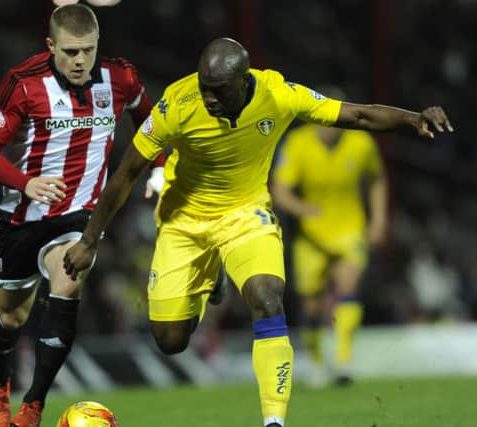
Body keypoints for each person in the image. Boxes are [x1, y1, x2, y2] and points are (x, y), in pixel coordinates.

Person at [63, 37, 453, 427]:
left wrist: (412, 118)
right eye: (204, 87)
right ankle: (213, 277)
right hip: (184, 223)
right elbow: (128, 171)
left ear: (242, 82)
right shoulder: (177, 103)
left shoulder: (277, 93)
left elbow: (358, 117)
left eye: (217, 91)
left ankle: (274, 421)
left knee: (267, 297)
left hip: (246, 215)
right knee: (170, 341)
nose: (208, 98)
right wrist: (89, 239)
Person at [0, 4, 162, 427]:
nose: (80, 61)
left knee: (68, 282)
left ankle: (33, 405)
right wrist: (26, 183)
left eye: (88, 51)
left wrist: (161, 166)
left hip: (80, 217)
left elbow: (151, 119)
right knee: (12, 317)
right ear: (50, 46)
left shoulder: (121, 78)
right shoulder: (23, 84)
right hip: (23, 217)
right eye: (71, 52)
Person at [271, 87, 389, 386]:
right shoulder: (297, 145)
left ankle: (344, 359)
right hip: (311, 236)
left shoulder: (361, 142)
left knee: (348, 284)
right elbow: (280, 190)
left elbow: (377, 179)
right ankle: (315, 360)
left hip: (349, 230)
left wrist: (378, 219)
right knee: (311, 304)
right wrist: (303, 209)